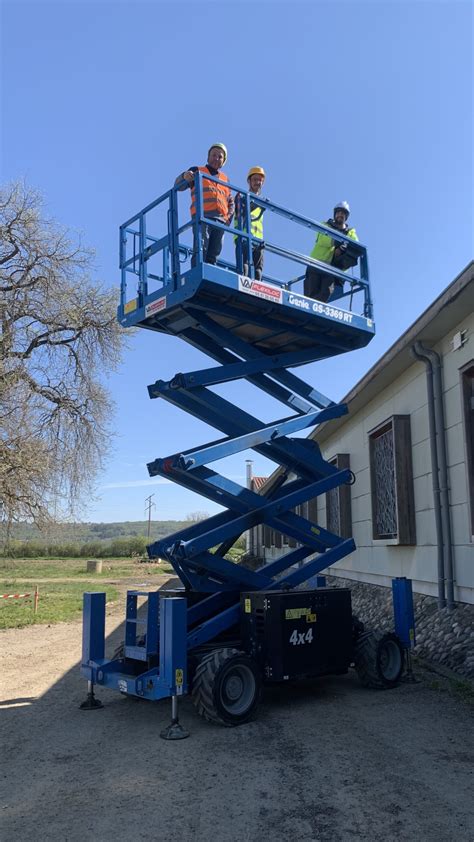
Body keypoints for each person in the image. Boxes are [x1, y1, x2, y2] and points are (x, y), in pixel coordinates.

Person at [175, 143, 234, 266]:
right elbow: (178, 186)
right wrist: (184, 176)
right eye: (214, 155)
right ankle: (197, 272)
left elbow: (231, 202)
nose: (216, 158)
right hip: (203, 217)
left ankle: (209, 277)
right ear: (208, 157)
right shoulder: (197, 171)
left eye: (220, 156)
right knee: (201, 249)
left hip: (220, 221)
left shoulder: (225, 179)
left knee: (214, 254)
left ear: (223, 161)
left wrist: (227, 219)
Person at [304, 201, 359, 302]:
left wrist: (341, 248)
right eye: (338, 212)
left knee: (327, 291)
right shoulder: (325, 225)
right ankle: (310, 309)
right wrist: (338, 242)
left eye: (343, 213)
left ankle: (315, 310)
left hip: (332, 268)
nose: (340, 215)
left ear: (346, 217)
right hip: (316, 263)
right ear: (335, 214)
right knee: (310, 293)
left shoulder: (350, 232)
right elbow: (322, 239)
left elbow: (355, 245)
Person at [234, 166, 266, 280]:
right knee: (245, 267)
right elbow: (240, 212)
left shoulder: (262, 201)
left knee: (258, 270)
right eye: (255, 179)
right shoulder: (241, 197)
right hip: (244, 238)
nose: (258, 182)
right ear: (249, 181)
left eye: (260, 180)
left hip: (258, 240)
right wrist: (255, 204)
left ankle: (257, 289)